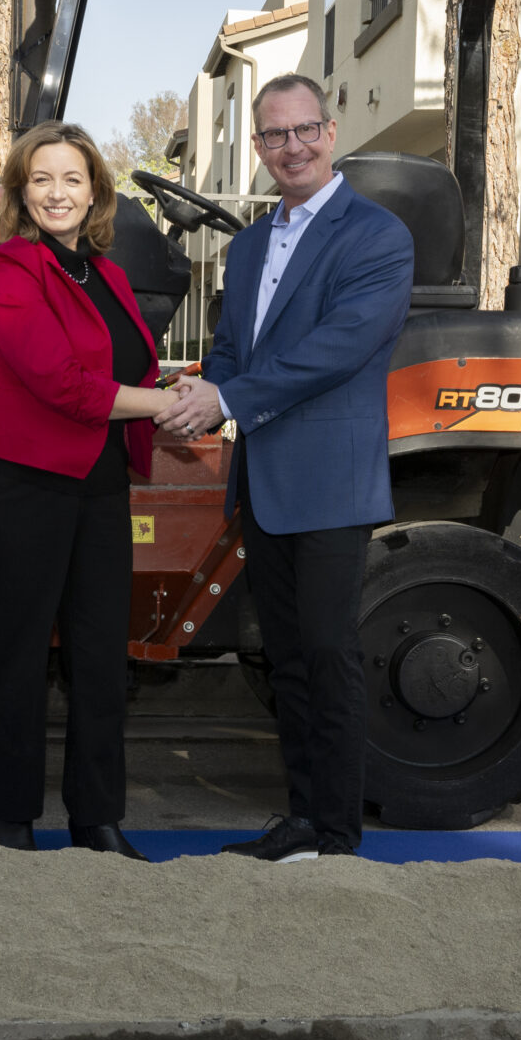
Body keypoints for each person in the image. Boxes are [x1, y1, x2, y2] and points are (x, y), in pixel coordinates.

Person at [160, 76, 414, 862]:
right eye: (273, 136)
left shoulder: (375, 237)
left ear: (331, 131)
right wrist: (200, 387)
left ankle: (337, 833)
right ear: (261, 148)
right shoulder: (249, 244)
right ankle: (303, 819)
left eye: (304, 129)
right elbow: (236, 345)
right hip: (265, 477)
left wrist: (226, 394)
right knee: (288, 657)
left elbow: (334, 350)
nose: (291, 147)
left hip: (331, 481)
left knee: (330, 655)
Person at [0, 121, 180, 859]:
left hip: (98, 485)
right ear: (22, 192)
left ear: (96, 191)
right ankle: (13, 820)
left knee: (98, 656)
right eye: (43, 179)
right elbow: (61, 381)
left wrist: (174, 391)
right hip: (20, 484)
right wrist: (164, 405)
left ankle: (97, 821)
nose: (58, 193)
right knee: (17, 655)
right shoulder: (10, 272)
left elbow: (132, 372)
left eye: (72, 179)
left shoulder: (109, 274)